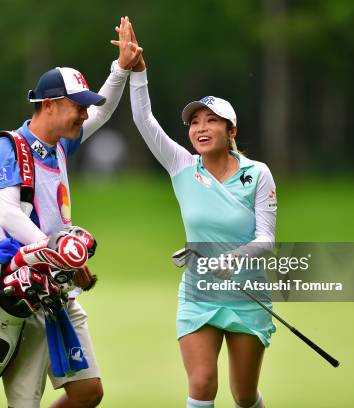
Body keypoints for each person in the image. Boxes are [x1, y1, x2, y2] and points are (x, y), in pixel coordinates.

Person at [0, 17, 142, 408]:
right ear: (49, 105)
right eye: (77, 106)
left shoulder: (58, 145)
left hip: (58, 288)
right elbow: (8, 216)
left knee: (88, 392)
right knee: (25, 403)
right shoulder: (9, 147)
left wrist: (120, 68)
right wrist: (60, 253)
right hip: (21, 289)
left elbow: (102, 113)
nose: (85, 115)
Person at [125, 27, 277, 408]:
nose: (201, 128)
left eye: (211, 121)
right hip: (199, 294)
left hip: (248, 296)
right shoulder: (181, 165)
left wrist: (227, 260)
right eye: (195, 122)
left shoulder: (257, 174)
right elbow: (144, 120)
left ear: (232, 131)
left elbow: (266, 239)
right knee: (202, 383)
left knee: (243, 395)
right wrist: (138, 71)